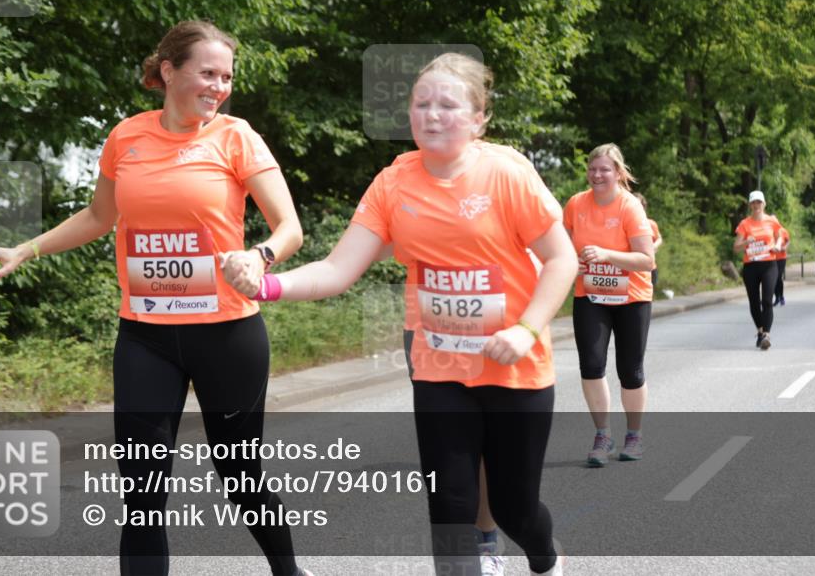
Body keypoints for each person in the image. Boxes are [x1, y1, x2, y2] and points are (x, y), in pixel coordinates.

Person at [0, 21, 311, 576]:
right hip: (146, 337)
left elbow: (289, 226)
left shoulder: (236, 137)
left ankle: (289, 571)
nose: (219, 86)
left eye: (226, 76)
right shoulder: (126, 136)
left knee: (242, 480)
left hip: (227, 335)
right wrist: (26, 248)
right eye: (208, 72)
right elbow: (99, 217)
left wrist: (261, 257)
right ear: (167, 71)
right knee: (142, 495)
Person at [224, 53, 578, 576]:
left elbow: (561, 257)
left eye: (447, 105)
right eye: (420, 104)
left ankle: (545, 558)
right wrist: (267, 284)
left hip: (515, 370)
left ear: (479, 119)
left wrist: (526, 330)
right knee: (450, 512)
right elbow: (338, 269)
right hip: (440, 371)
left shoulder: (506, 176)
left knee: (514, 509)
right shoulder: (394, 184)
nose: (431, 115)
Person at [563, 145, 655, 467]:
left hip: (632, 297)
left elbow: (647, 260)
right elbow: (562, 246)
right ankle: (603, 434)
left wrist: (607, 255)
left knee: (630, 371)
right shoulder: (576, 204)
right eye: (593, 169)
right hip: (590, 294)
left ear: (618, 172)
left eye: (605, 169)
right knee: (591, 364)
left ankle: (634, 435)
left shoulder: (629, 207)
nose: (597, 175)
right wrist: (569, 264)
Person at [733, 190, 782, 349]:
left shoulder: (771, 221)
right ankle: (760, 332)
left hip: (769, 264)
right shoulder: (744, 224)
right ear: (750, 205)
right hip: (751, 266)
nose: (756, 206)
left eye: (759, 202)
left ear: (764, 204)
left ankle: (767, 334)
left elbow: (780, 235)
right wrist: (746, 241)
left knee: (767, 300)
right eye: (753, 203)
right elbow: (736, 248)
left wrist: (778, 245)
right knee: (754, 302)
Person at [635, 194, 662, 288]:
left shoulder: (650, 223)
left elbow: (659, 238)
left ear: (643, 206)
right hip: (632, 269)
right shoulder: (622, 223)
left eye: (638, 205)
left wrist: (653, 246)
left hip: (649, 268)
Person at [772, 223, 790, 307]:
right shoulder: (768, 231)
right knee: (774, 278)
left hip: (781, 258)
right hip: (771, 258)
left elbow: (788, 241)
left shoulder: (783, 230)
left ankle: (781, 296)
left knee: (778, 277)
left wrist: (785, 247)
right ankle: (777, 297)